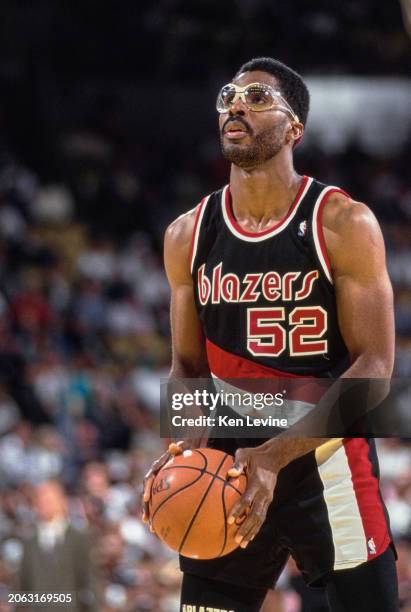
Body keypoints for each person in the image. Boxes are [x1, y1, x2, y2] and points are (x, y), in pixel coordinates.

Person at [143, 57, 398, 611]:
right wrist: (184, 445)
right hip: (230, 462)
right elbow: (187, 366)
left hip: (326, 454)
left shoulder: (343, 223)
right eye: (230, 95)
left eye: (257, 97)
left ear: (294, 128)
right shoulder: (187, 233)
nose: (236, 104)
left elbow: (375, 372)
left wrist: (277, 456)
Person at [18, 480, 98, 612]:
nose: (45, 504)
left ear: (63, 501)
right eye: (41, 500)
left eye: (50, 499)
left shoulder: (80, 538)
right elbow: (23, 587)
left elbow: (90, 581)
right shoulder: (29, 542)